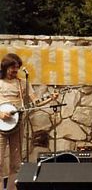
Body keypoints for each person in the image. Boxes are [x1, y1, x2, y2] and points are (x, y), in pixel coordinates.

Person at [0, 53, 58, 190]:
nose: (15, 70)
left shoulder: (23, 83)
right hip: (0, 127)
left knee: (16, 162)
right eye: (12, 68)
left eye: (17, 68)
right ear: (5, 67)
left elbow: (36, 101)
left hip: (17, 126)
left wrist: (51, 98)